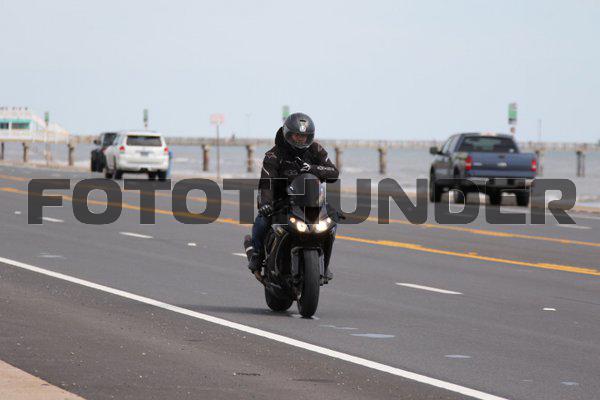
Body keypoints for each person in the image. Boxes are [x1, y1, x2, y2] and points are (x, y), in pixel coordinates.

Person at [247, 112, 339, 273]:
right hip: (281, 202)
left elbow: (334, 173)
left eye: (304, 136)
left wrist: (313, 169)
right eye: (297, 135)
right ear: (288, 134)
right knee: (261, 221)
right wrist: (265, 204)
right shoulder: (274, 155)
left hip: (311, 201)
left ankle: (324, 261)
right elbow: (266, 182)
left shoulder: (316, 149)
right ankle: (257, 254)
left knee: (333, 218)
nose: (300, 139)